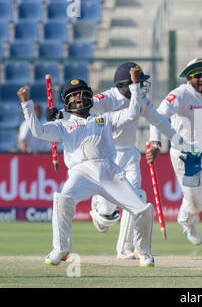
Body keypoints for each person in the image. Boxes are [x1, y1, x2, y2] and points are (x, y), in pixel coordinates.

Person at [17, 70, 160, 267]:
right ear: (67, 102)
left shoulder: (104, 118)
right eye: (74, 95)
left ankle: (143, 252)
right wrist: (26, 104)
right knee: (62, 200)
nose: (79, 98)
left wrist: (135, 85)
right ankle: (61, 249)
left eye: (82, 93)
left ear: (90, 97)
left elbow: (133, 113)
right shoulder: (62, 125)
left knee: (142, 209)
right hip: (81, 172)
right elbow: (38, 131)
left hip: (109, 170)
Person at [46, 62, 182, 260]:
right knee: (107, 217)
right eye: (137, 82)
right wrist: (59, 115)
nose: (141, 85)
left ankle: (126, 249)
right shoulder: (106, 98)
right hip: (103, 157)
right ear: (123, 85)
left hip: (129, 155)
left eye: (141, 81)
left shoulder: (140, 99)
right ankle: (99, 210)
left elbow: (160, 121)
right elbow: (81, 108)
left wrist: (179, 142)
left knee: (136, 197)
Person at [146, 58, 202, 258]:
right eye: (198, 76)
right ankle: (186, 220)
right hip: (188, 156)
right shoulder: (179, 95)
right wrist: (155, 143)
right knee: (196, 204)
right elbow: (157, 117)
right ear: (189, 78)